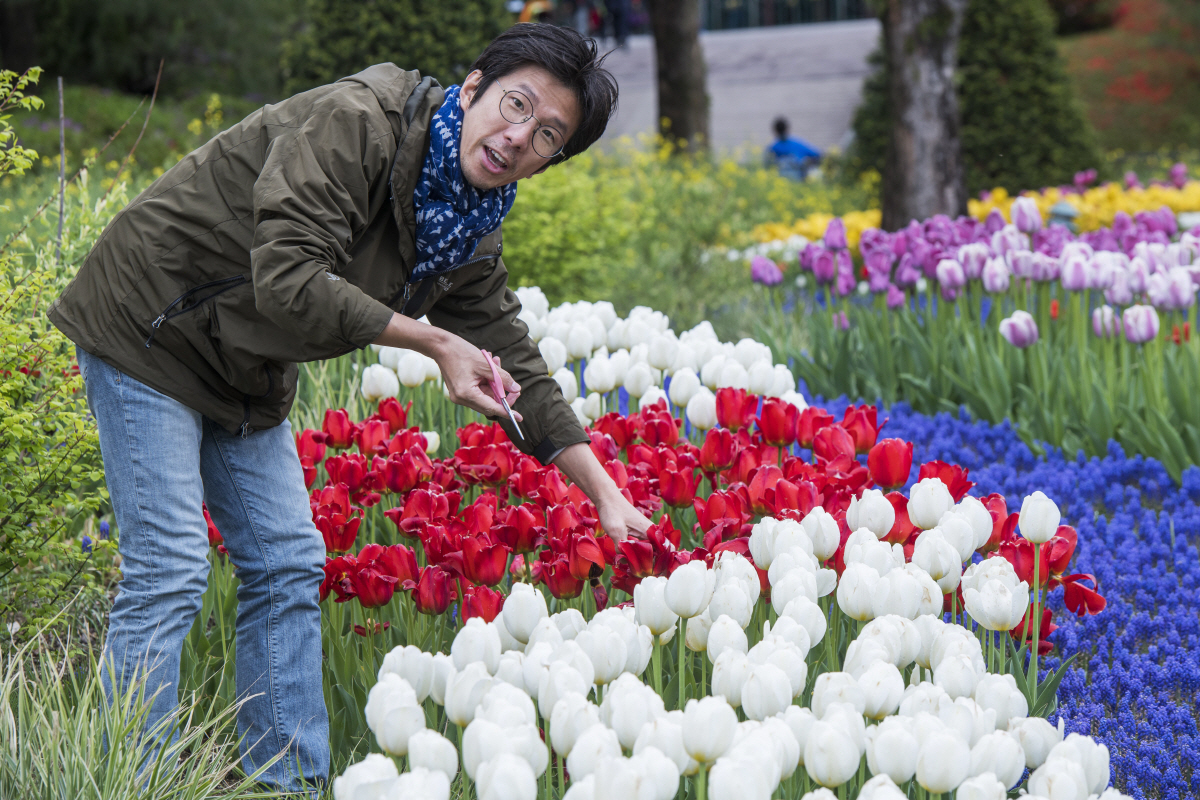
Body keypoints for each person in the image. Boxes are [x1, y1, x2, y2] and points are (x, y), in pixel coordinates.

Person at [48, 23, 647, 796]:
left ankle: (286, 783)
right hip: (152, 320)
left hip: (243, 360)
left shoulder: (466, 224)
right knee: (169, 567)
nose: (516, 137)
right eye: (515, 105)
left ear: (552, 159)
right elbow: (289, 276)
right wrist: (433, 341)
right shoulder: (357, 122)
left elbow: (513, 363)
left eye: (545, 134)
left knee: (287, 560)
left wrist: (604, 493)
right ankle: (123, 781)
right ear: (471, 89)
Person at [765, 116, 820, 181]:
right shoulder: (798, 143)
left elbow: (767, 166)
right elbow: (817, 154)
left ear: (775, 131)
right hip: (798, 183)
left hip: (779, 184)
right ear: (787, 129)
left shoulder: (772, 148)